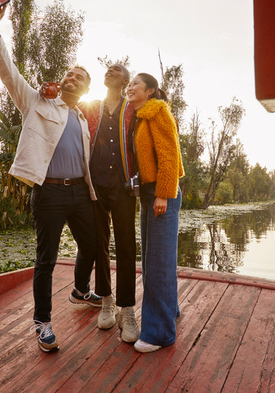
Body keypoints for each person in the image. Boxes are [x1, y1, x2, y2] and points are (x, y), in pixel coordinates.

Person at [0, 4, 101, 353]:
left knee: (93, 244)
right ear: (61, 79)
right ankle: (43, 322)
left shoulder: (82, 117)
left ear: (84, 90)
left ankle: (80, 290)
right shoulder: (36, 102)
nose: (72, 78)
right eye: (70, 73)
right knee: (46, 260)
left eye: (80, 77)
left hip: (80, 193)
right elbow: (7, 71)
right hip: (48, 194)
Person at [79, 64, 139, 342]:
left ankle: (127, 310)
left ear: (125, 81)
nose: (109, 71)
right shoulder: (91, 107)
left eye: (115, 70)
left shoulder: (133, 109)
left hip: (125, 187)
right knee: (99, 244)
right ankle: (107, 301)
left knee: (126, 246)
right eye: (107, 69)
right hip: (97, 186)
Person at [125, 72, 184, 353]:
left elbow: (170, 154)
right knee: (154, 260)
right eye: (129, 84)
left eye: (135, 83)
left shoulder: (157, 111)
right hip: (149, 194)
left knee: (158, 262)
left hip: (163, 193)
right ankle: (169, 311)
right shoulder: (138, 118)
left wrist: (163, 193)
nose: (130, 87)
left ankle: (159, 333)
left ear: (149, 91)